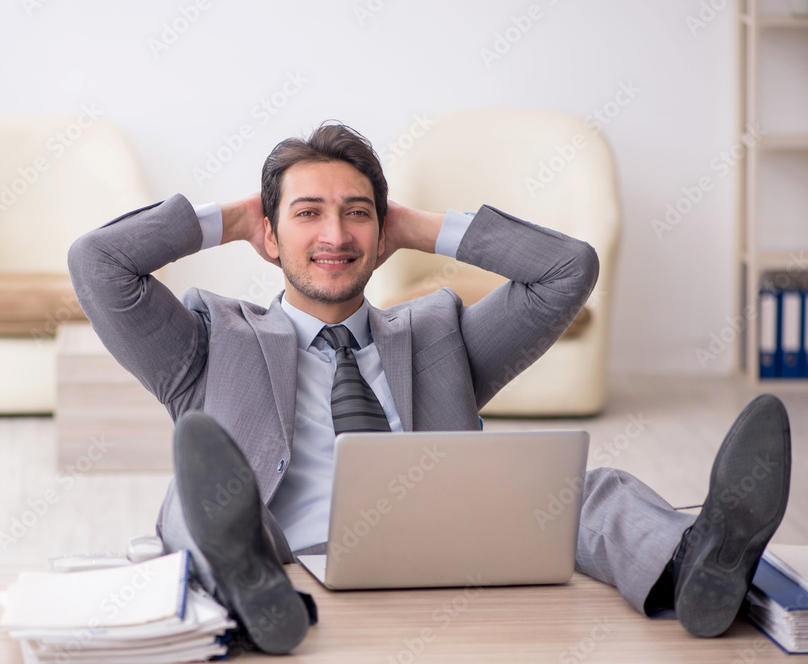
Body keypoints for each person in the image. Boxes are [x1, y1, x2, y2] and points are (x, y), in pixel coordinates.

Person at [67, 122, 791, 655]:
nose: (335, 233)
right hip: (279, 549)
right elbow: (97, 263)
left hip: (440, 540)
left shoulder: (440, 334)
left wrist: (413, 226)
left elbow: (568, 268)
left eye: (357, 212)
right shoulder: (206, 341)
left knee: (587, 489)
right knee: (220, 509)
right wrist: (231, 218)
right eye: (308, 213)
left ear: (382, 234)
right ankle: (247, 583)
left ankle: (699, 562)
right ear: (268, 235)